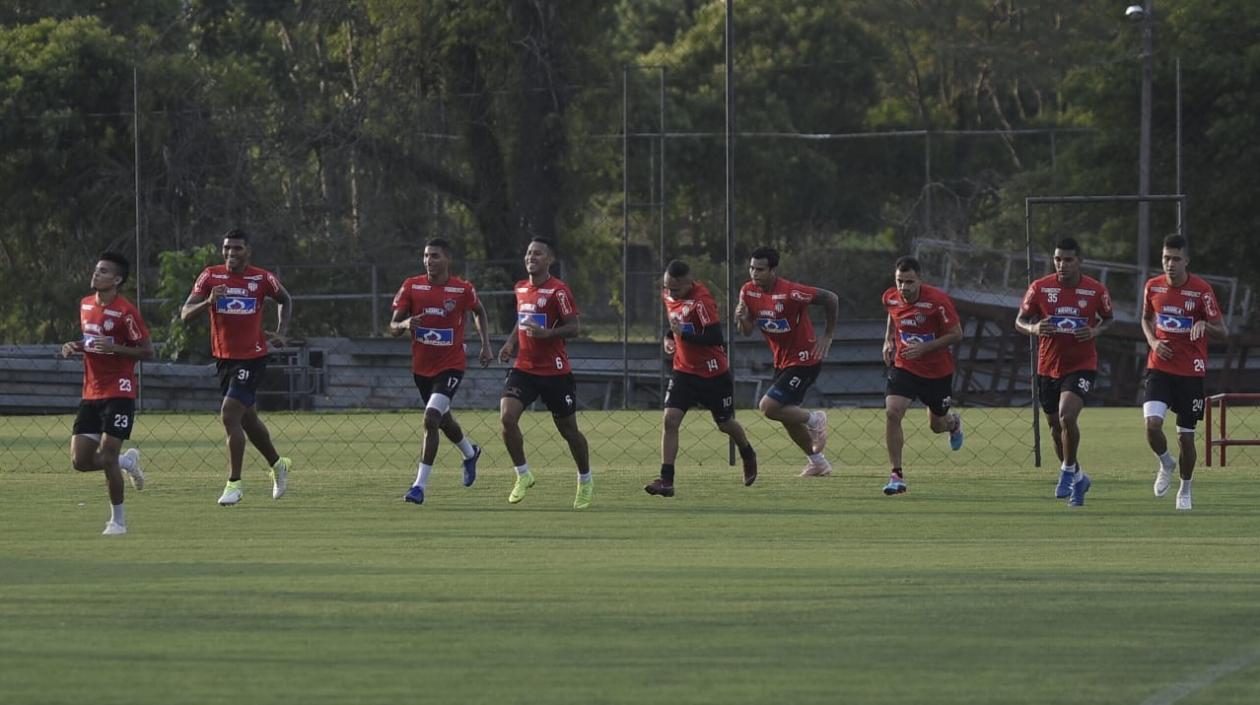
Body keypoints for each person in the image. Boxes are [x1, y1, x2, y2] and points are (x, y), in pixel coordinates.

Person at [181, 228, 294, 506]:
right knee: (248, 420)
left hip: (253, 356)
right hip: (224, 359)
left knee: (229, 414)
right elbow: (185, 314)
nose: (231, 253)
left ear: (248, 252)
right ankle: (278, 465)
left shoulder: (262, 277)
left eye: (237, 249)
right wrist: (209, 301)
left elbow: (285, 299)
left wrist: (281, 331)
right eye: (227, 248)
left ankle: (234, 484)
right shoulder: (211, 276)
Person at [390, 238, 493, 505]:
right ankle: (470, 453)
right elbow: (391, 326)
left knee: (431, 418)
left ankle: (418, 486)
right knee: (443, 421)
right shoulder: (412, 286)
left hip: (451, 365)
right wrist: (405, 323)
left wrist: (485, 345)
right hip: (422, 369)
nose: (428, 261)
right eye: (425, 256)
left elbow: (479, 312)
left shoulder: (462, 290)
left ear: (447, 259)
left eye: (434, 256)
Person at [645, 260, 757, 497]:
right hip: (684, 371)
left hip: (713, 373)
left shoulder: (702, 300)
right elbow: (676, 323)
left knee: (725, 424)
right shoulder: (669, 295)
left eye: (675, 288)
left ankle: (747, 453)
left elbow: (715, 336)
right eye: (667, 287)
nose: (669, 292)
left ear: (688, 283)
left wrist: (681, 333)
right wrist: (669, 338)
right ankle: (666, 480)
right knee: (670, 420)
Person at [1015, 237, 1114, 507]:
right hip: (1048, 366)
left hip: (1081, 365)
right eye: (1058, 259)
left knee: (1066, 415)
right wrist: (1034, 329)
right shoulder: (1040, 288)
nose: (1062, 264)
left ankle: (1066, 471)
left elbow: (1109, 319)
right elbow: (1020, 321)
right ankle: (1079, 479)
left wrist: (1094, 331)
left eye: (1068, 259)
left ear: (1079, 261)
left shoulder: (1095, 290)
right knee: (1055, 428)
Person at [497, 237, 593, 509]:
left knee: (568, 430)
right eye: (528, 253)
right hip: (524, 368)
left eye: (538, 253)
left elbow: (573, 327)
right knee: (507, 416)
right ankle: (523, 475)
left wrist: (548, 333)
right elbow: (522, 320)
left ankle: (585, 480)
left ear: (549, 260)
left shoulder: (558, 291)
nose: (531, 257)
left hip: (555, 372)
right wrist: (510, 343)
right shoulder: (520, 288)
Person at [60, 252, 153, 535]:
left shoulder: (126, 312)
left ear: (117, 279)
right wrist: (75, 345)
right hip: (91, 393)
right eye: (96, 270)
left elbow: (147, 351)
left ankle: (118, 522)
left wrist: (115, 348)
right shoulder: (85, 304)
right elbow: (93, 341)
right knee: (80, 461)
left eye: (103, 271)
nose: (96, 274)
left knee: (108, 456)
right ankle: (128, 462)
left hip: (120, 392)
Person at [1141, 234, 1228, 511]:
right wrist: (1154, 342)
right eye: (1166, 258)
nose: (1170, 264)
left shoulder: (1201, 291)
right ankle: (1166, 462)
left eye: (1176, 259)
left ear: (1186, 261)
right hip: (1160, 367)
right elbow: (1145, 318)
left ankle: (1186, 487)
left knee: (1185, 437)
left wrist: (1205, 325)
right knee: (1152, 425)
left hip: (1191, 371)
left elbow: (1223, 330)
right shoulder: (1152, 287)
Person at [734, 247, 838, 477]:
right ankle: (818, 463)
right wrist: (741, 319)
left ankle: (816, 418)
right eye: (751, 268)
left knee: (768, 407)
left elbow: (831, 298)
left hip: (805, 359)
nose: (754, 273)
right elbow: (747, 331)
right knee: (786, 415)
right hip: (782, 361)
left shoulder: (792, 292)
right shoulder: (748, 292)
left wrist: (827, 335)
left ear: (772, 270)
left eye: (760, 269)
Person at [880, 256, 964, 495]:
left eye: (909, 282)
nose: (903, 287)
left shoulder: (938, 301)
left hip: (937, 372)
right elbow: (892, 314)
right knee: (892, 411)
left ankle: (953, 423)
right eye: (899, 281)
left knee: (937, 425)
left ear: (920, 280)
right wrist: (887, 340)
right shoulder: (890, 296)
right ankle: (896, 474)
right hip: (905, 365)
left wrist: (925, 348)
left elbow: (957, 334)